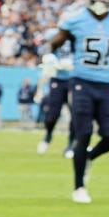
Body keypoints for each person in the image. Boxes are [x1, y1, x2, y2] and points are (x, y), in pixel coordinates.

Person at [43, 0, 109, 204]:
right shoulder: (75, 20)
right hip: (81, 82)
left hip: (106, 84)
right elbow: (52, 43)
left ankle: (88, 158)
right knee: (83, 133)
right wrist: (48, 58)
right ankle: (79, 186)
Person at [36, 21, 76, 156]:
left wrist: (74, 63)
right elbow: (42, 49)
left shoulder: (78, 34)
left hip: (74, 79)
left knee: (75, 115)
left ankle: (71, 144)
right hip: (57, 79)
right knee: (53, 114)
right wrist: (51, 59)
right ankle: (48, 136)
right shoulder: (53, 35)